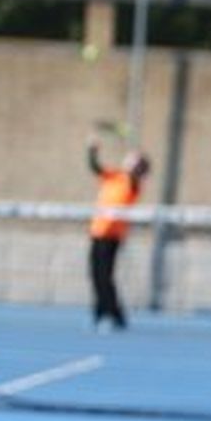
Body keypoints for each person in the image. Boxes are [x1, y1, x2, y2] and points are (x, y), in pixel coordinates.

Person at [84, 138, 148, 331]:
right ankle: (101, 311)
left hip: (112, 236)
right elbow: (95, 168)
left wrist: (137, 163)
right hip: (97, 231)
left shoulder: (133, 183)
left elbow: (136, 177)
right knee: (95, 275)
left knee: (105, 276)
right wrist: (92, 150)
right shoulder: (115, 176)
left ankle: (115, 315)